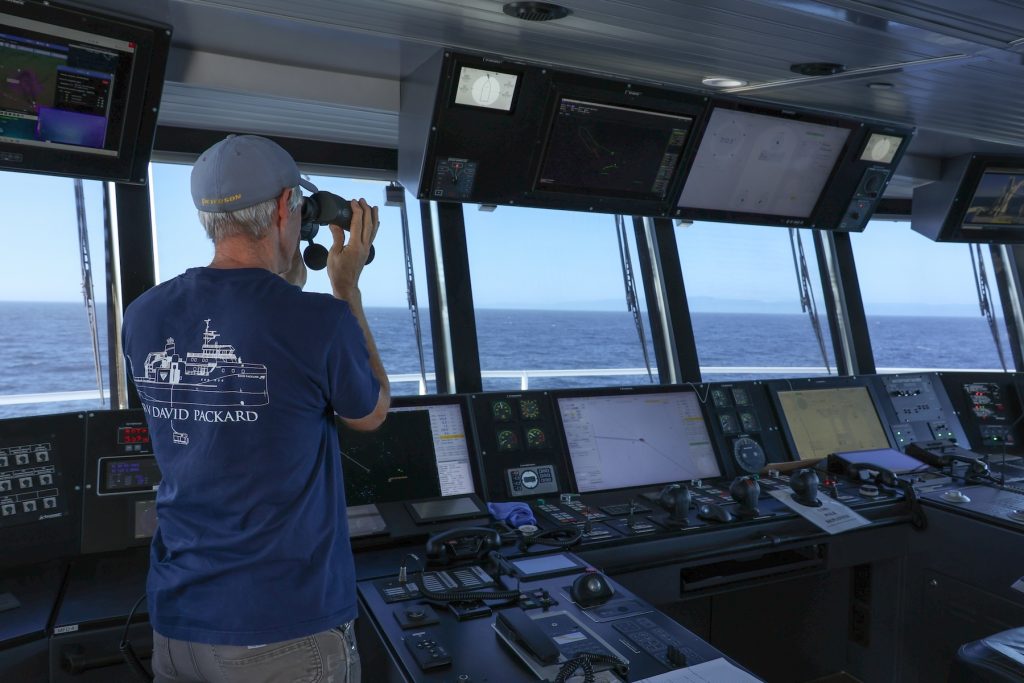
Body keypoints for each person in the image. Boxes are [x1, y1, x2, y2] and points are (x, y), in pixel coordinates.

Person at [122, 134, 390, 683]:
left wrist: (284, 269)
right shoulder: (320, 320)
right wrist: (346, 286)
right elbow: (370, 412)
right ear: (288, 206)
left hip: (178, 626)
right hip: (284, 629)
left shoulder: (144, 314)